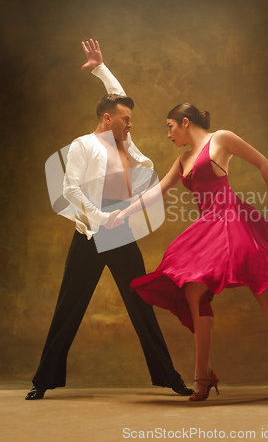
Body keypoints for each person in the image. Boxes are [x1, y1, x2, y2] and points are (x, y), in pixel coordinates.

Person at [110, 104, 268, 401]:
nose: (167, 134)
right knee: (194, 291)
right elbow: (156, 192)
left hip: (234, 223)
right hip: (209, 228)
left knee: (264, 290)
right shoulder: (183, 159)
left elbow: (263, 162)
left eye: (170, 126)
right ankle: (203, 375)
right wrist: (124, 213)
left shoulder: (221, 139)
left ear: (185, 123)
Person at [25, 40, 193, 400]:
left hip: (120, 230)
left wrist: (100, 68)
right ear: (107, 119)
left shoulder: (124, 142)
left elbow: (118, 97)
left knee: (140, 304)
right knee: (69, 304)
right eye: (125, 118)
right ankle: (42, 381)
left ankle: (170, 377)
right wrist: (102, 219)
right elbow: (71, 191)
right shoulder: (83, 145)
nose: (130, 124)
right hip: (92, 231)